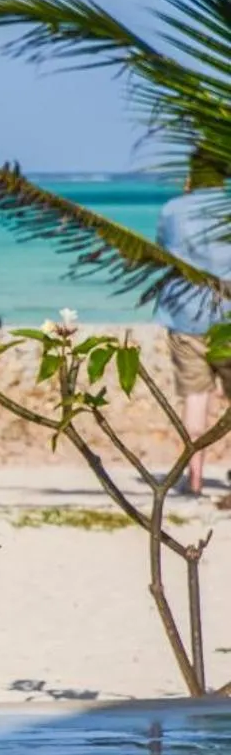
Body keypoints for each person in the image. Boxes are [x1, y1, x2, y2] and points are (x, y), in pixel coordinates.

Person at [155, 151, 231, 499]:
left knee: (195, 398)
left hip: (184, 314)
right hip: (228, 316)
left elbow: (162, 250)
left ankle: (195, 477)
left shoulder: (172, 210)